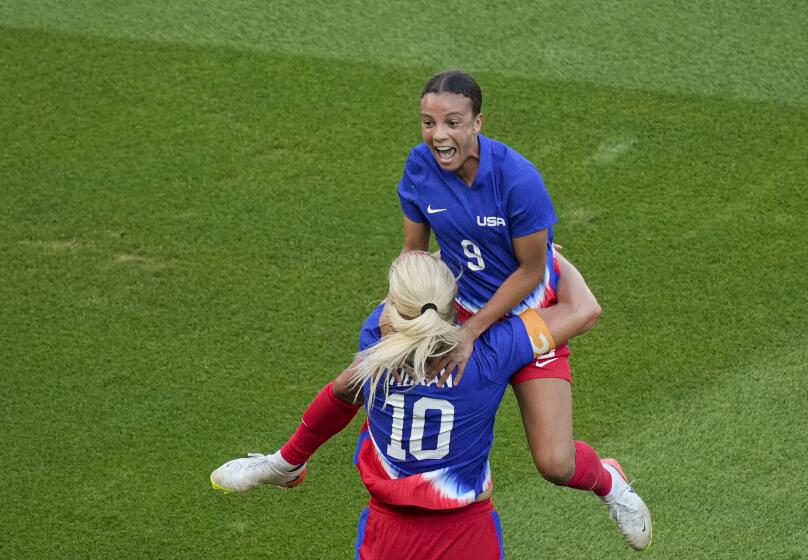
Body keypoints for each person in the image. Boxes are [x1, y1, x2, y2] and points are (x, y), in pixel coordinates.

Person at [212, 70, 652, 551]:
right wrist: (396, 311)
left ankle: (610, 482)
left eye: (452, 122)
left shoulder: (517, 179)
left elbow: (530, 272)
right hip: (454, 311)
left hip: (525, 313)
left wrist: (475, 331)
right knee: (357, 378)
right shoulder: (419, 168)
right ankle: (285, 462)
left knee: (555, 464)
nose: (439, 135)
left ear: (477, 122)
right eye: (428, 122)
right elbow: (414, 251)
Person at [212, 252, 651, 559]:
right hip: (466, 529)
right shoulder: (493, 350)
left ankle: (284, 464)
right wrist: (544, 257)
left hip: (387, 529)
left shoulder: (375, 340)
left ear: (394, 311)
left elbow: (343, 393)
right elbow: (585, 309)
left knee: (348, 386)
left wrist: (293, 456)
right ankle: (284, 464)